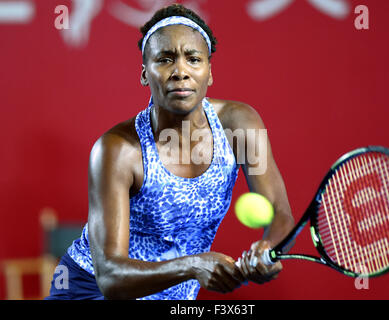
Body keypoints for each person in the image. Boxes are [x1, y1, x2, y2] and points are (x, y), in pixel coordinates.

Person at [45, 4, 294, 300]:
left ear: (209, 72)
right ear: (144, 73)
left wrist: (268, 248)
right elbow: (110, 276)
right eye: (165, 59)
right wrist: (191, 266)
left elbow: (280, 212)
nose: (180, 72)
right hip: (91, 290)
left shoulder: (240, 125)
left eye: (193, 59)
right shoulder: (117, 149)